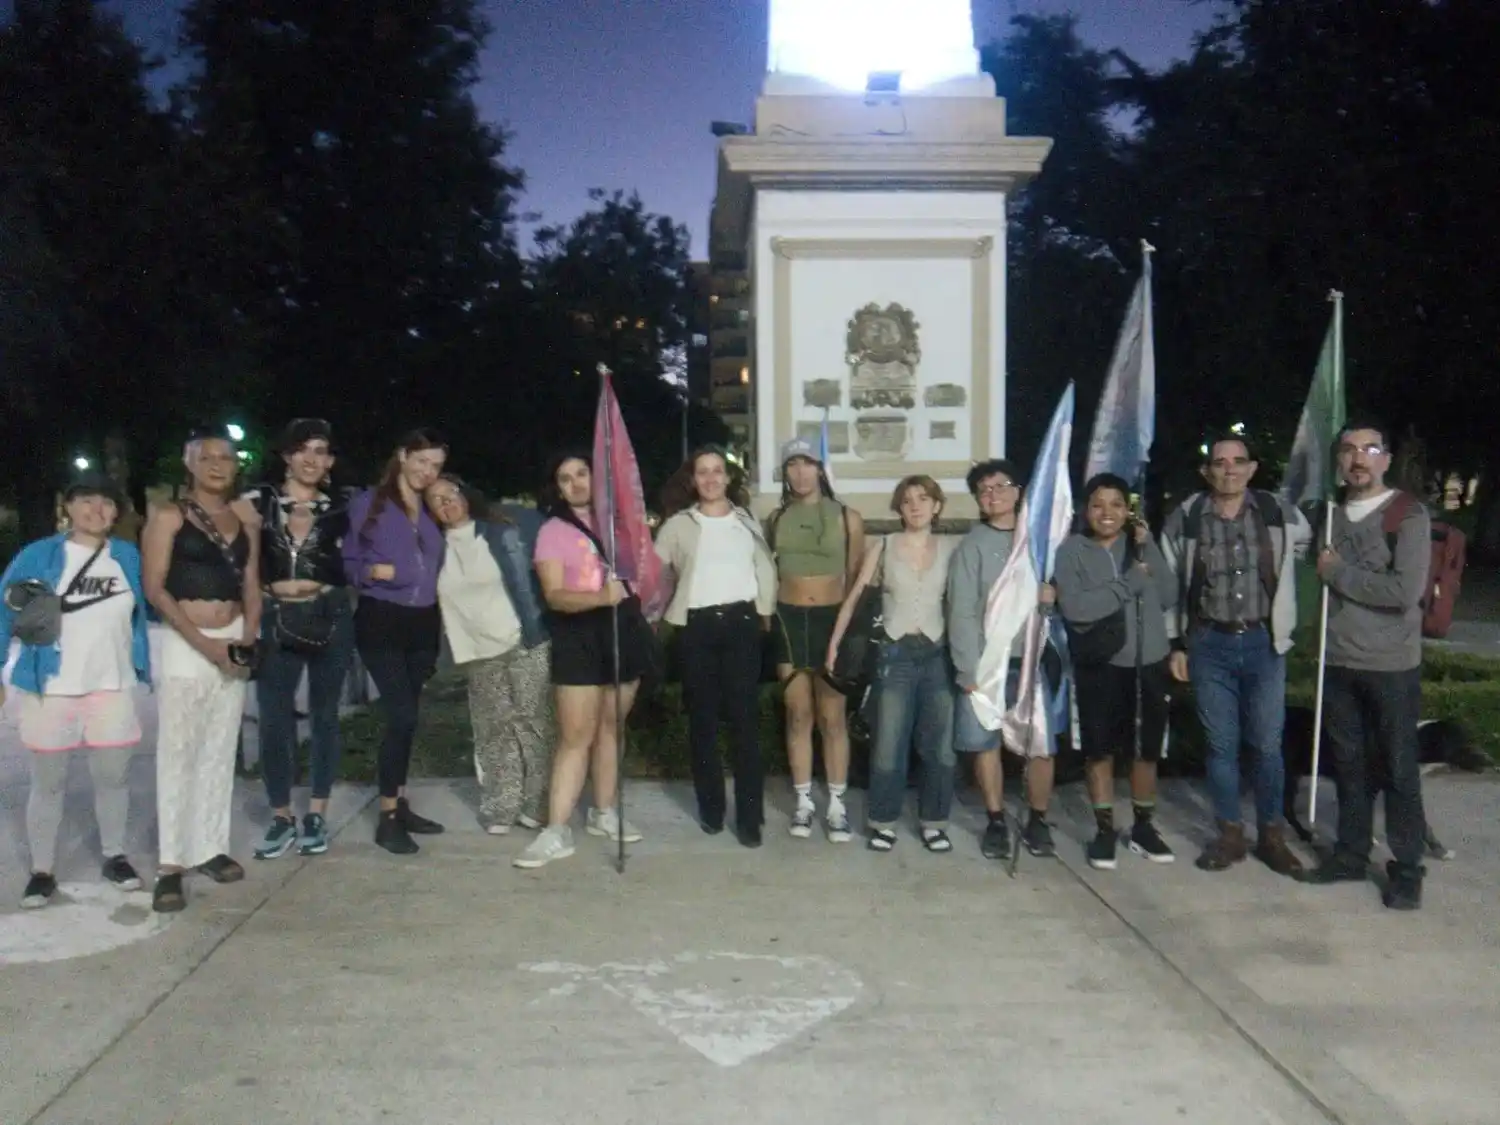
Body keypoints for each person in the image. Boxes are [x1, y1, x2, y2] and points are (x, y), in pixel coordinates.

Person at [1159, 434, 1310, 876]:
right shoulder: (1186, 517)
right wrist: (1176, 644)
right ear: (1207, 471)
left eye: (1237, 462)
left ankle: (1271, 835)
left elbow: (1313, 552)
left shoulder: (1278, 513)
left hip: (1264, 643)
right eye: (1220, 462)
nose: (1229, 469)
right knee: (1220, 746)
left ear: (1252, 468)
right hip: (1209, 645)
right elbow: (1170, 586)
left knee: (1267, 745)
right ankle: (1229, 834)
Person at [1, 473, 151, 908]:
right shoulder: (40, 555)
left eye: (106, 503)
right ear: (68, 507)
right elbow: (3, 610)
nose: (97, 510)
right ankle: (42, 871)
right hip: (52, 686)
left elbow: (145, 608)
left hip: (112, 683)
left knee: (114, 776)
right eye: (86, 501)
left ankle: (114, 855)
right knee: (48, 782)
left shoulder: (126, 556)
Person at [1302, 422, 1432, 910]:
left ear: (1386, 457)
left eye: (1370, 449)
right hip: (1337, 661)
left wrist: (1339, 573)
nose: (1359, 458)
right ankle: (1351, 853)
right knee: (1349, 766)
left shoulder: (1407, 514)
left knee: (1398, 769)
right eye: (1349, 450)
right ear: (1339, 459)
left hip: (1390, 665)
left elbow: (1404, 593)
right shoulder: (1331, 514)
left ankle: (1407, 867)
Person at [141, 427, 262, 912]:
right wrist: (205, 646)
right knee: (178, 751)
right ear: (190, 465)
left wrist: (248, 637)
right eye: (207, 458)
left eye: (226, 458)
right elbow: (155, 589)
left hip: (233, 638)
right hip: (186, 643)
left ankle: (210, 846)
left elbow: (252, 582)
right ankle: (171, 864)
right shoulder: (168, 516)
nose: (217, 465)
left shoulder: (244, 519)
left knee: (218, 748)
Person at [515, 452, 649, 869]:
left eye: (581, 473)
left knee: (612, 727)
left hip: (622, 630)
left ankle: (603, 811)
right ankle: (556, 831)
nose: (575, 483)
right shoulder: (553, 532)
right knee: (577, 735)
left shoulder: (620, 524)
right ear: (556, 487)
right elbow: (554, 596)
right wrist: (599, 598)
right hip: (579, 634)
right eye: (565, 478)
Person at [236, 419, 354, 860]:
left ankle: (317, 812)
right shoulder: (256, 501)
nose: (312, 458)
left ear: (330, 460)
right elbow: (234, 557)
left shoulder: (343, 505)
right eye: (303, 449)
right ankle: (282, 814)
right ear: (286, 455)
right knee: (274, 719)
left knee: (325, 716)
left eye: (321, 450)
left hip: (329, 613)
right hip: (275, 614)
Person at [828, 475, 959, 853]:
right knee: (888, 742)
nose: (915, 505)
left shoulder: (952, 549)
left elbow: (966, 604)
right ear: (899, 509)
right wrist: (835, 644)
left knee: (940, 746)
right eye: (906, 500)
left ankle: (934, 822)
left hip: (937, 653)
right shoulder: (883, 546)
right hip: (894, 654)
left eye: (923, 498)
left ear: (936, 505)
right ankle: (883, 822)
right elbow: (854, 598)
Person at [1053, 473, 1178, 871]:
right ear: (1085, 510)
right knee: (1099, 749)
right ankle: (1104, 829)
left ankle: (1143, 828)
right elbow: (1076, 609)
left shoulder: (1139, 546)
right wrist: (1127, 585)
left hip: (1148, 661)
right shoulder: (1072, 550)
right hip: (1099, 665)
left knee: (1145, 750)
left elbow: (1168, 596)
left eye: (1116, 504)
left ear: (1128, 510)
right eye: (1097, 504)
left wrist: (1148, 548)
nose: (1107, 513)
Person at [656, 447, 779, 846]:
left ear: (728, 478)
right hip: (698, 628)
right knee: (703, 723)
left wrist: (765, 610)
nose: (711, 479)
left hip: (742, 625)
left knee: (745, 725)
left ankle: (749, 817)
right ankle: (711, 808)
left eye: (717, 472)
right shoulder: (678, 525)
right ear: (694, 480)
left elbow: (763, 568)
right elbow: (655, 574)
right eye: (702, 473)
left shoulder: (746, 521)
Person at [428, 474, 555, 834]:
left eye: (451, 493)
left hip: (522, 639)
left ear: (466, 493)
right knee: (493, 730)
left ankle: (537, 803)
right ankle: (502, 805)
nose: (446, 502)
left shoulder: (501, 529)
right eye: (435, 500)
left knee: (533, 723)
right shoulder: (434, 547)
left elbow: (548, 541)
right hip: (478, 649)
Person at [342, 428, 449, 855]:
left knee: (410, 718)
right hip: (381, 621)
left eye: (436, 465)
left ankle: (400, 801)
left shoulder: (429, 511)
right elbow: (348, 562)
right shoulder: (368, 504)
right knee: (400, 716)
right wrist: (373, 572)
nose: (427, 471)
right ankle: (387, 817)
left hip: (423, 624)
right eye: (421, 461)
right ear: (402, 456)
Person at [947, 459, 1057, 860]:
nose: (992, 495)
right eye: (983, 490)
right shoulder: (972, 545)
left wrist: (1053, 596)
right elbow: (960, 610)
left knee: (1040, 745)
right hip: (989, 664)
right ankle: (995, 819)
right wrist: (967, 667)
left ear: (1019, 491)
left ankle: (1038, 820)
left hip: (1035, 659)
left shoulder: (1041, 541)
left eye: (999, 486)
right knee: (984, 743)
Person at [764, 438, 864, 842]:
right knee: (798, 714)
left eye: (808, 464)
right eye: (793, 465)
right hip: (789, 620)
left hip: (831, 621)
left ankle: (837, 806)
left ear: (821, 469)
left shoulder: (847, 517)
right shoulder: (774, 518)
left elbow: (857, 579)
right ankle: (804, 802)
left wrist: (846, 633)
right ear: (785, 472)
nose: (801, 473)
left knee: (833, 717)